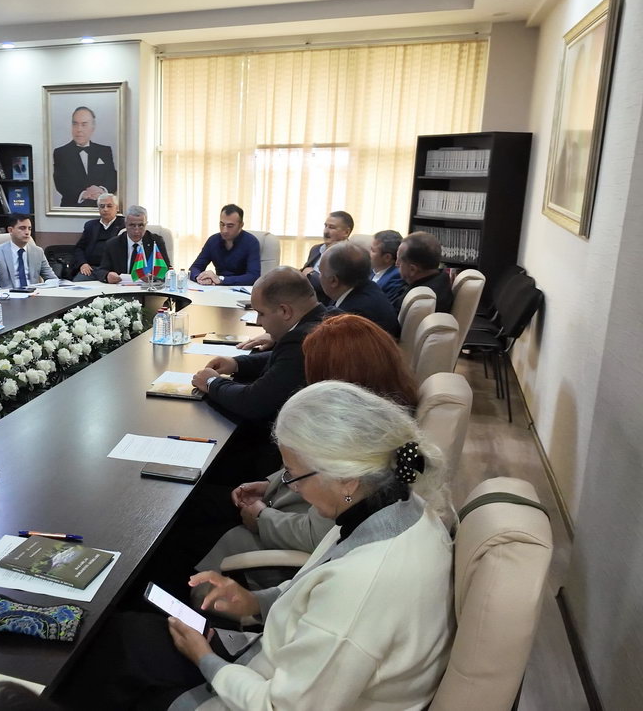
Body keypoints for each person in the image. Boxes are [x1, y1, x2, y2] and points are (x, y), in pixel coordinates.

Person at [86, 381, 452, 711]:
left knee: (108, 659)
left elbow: (278, 706)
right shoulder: (393, 506)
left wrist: (205, 660)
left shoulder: (364, 586)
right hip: (274, 661)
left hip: (264, 690)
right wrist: (255, 602)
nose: (292, 487)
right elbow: (316, 585)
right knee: (125, 636)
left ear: (346, 478)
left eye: (295, 474)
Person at [191, 314, 419, 589]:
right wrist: (271, 484)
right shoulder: (383, 415)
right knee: (199, 503)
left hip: (282, 542)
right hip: (282, 506)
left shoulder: (352, 435)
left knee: (186, 531)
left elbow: (319, 533)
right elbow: (308, 472)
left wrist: (262, 517)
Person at [192, 267, 327, 428]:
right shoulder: (328, 316)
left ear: (285, 311)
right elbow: (282, 359)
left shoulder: (302, 340)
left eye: (261, 313)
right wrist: (237, 364)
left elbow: (252, 402)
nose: (258, 322)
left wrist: (211, 382)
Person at [318, 241, 400, 336]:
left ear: (334, 281)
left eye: (320, 272)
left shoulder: (351, 316)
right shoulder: (368, 287)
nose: (319, 277)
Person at [52, 105, 117, 207]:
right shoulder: (60, 153)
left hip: (101, 208)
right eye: (75, 124)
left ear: (93, 127)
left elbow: (112, 178)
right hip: (71, 209)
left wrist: (101, 191)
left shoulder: (104, 151)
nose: (79, 129)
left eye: (84, 124)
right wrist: (84, 194)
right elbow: (61, 183)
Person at [188, 205, 261, 286]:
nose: (224, 230)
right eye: (222, 224)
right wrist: (199, 277)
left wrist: (222, 279)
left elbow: (253, 276)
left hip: (241, 289)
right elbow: (194, 268)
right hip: (218, 288)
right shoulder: (213, 240)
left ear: (241, 225)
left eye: (230, 226)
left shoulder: (251, 242)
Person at [96, 205, 170, 284]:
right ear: (125, 224)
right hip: (120, 288)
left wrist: (154, 277)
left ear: (146, 224)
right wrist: (107, 276)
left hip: (146, 288)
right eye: (132, 225)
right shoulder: (113, 244)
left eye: (141, 225)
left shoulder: (155, 242)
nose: (136, 231)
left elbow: (167, 270)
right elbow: (101, 270)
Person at [0, 215, 57, 290]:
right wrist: (5, 295)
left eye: (29, 228)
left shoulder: (38, 252)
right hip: (8, 294)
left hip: (34, 294)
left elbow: (52, 278)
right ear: (10, 230)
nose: (27, 232)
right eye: (22, 228)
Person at [394, 230, 453, 313]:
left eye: (399, 260)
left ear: (412, 269)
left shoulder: (418, 300)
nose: (396, 264)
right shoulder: (442, 279)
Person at [72, 193, 125, 280]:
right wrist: (83, 264)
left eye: (109, 206)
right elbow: (79, 248)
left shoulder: (124, 225)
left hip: (112, 269)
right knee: (78, 283)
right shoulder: (90, 225)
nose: (105, 209)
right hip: (91, 269)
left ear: (117, 208)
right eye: (102, 206)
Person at [300, 210, 354, 274]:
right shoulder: (316, 249)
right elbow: (304, 272)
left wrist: (312, 274)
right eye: (325, 226)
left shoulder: (350, 255)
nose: (326, 231)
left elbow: (334, 280)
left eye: (332, 227)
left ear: (346, 232)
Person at [369, 229, 406, 305]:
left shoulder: (396, 278)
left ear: (387, 257)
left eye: (373, 251)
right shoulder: (370, 270)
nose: (368, 253)